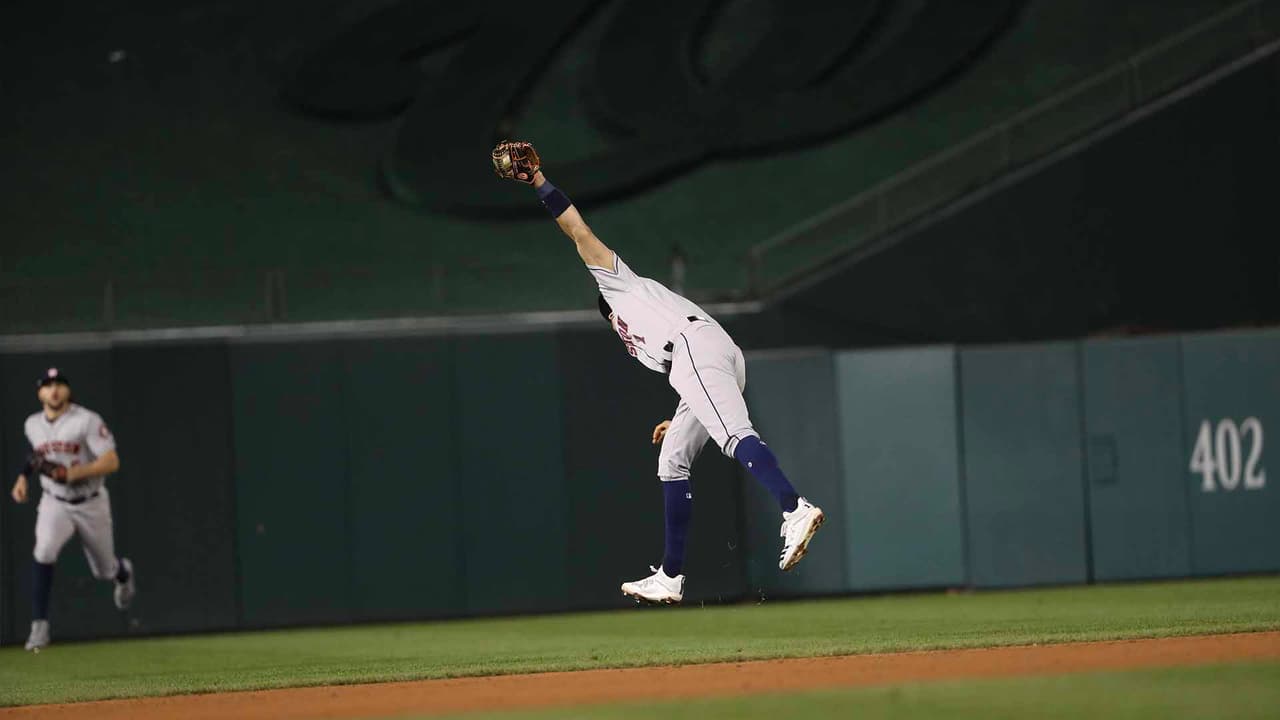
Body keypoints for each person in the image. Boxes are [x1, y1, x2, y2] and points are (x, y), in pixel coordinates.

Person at [492, 141, 825, 604]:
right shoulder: (637, 340)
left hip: (694, 345)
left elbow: (577, 230)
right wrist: (685, 414)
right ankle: (670, 575)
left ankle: (794, 507)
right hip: (703, 355)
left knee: (734, 435)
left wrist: (539, 183)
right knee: (672, 457)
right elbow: (686, 368)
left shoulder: (618, 283)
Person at [10, 368, 136, 651]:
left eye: (59, 384)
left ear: (67, 390)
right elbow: (36, 457)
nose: (54, 389)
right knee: (43, 551)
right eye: (47, 385)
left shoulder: (86, 420)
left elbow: (111, 461)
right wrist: (22, 477)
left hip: (91, 501)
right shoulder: (32, 424)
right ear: (40, 393)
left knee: (104, 570)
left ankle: (122, 573)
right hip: (54, 502)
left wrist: (75, 474)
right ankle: (39, 627)